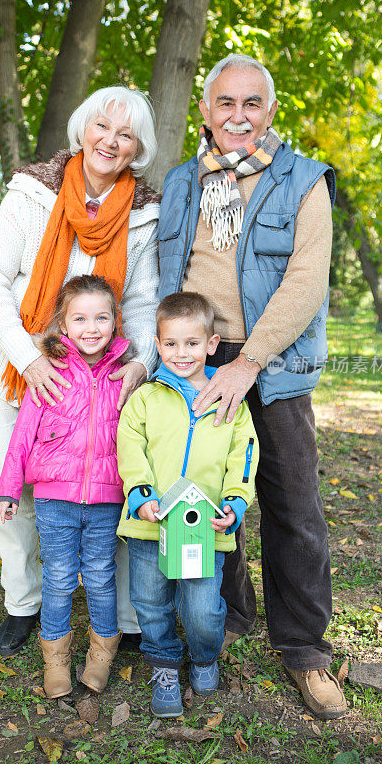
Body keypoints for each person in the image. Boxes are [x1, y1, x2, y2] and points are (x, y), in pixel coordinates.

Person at [156, 54, 347, 720]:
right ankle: (225, 620)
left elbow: (303, 282)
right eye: (225, 103)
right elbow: (166, 276)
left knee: (293, 509)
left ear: (270, 110)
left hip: (273, 364)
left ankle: (304, 652)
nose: (238, 116)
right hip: (197, 363)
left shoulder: (301, 180)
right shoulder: (181, 182)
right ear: (205, 113)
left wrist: (248, 362)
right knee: (208, 502)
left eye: (251, 103)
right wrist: (174, 364)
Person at [0, 86, 160, 657]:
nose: (111, 140)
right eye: (103, 127)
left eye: (125, 135)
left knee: (114, 486)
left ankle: (123, 617)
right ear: (82, 130)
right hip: (11, 366)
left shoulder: (144, 212)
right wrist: (28, 360)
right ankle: (22, 602)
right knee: (13, 491)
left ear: (137, 148)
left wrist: (142, 364)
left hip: (101, 381)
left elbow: (145, 302)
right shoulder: (32, 193)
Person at [116, 292, 259, 717]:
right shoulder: (145, 398)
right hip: (150, 526)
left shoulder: (228, 401)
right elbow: (129, 446)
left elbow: (244, 455)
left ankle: (203, 656)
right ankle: (163, 664)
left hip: (204, 528)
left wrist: (235, 502)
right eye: (172, 344)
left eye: (192, 344)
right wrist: (140, 493)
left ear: (211, 345)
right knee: (150, 602)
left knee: (202, 608)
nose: (182, 353)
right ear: (158, 345)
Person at [0, 275, 128, 698]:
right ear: (64, 325)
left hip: (108, 500)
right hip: (55, 500)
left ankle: (101, 655)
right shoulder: (49, 374)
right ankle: (55, 660)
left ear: (115, 321)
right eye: (80, 319)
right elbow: (21, 438)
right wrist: (7, 490)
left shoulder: (124, 377)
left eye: (101, 317)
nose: (92, 328)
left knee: (101, 578)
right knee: (58, 578)